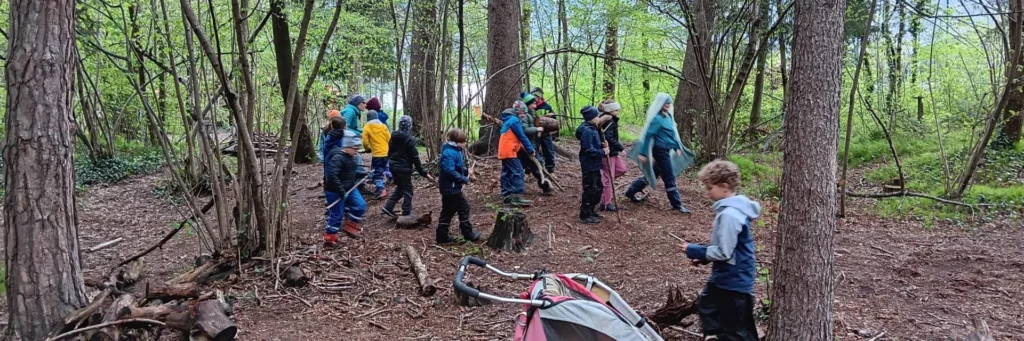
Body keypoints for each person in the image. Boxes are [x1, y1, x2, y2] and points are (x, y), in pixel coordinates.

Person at [682, 160, 760, 341]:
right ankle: (714, 336)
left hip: (735, 280)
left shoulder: (730, 215)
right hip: (725, 276)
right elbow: (728, 248)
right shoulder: (729, 211)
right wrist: (706, 259)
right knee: (707, 303)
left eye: (709, 188)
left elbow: (725, 252)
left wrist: (696, 251)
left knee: (737, 328)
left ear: (724, 186)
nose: (707, 192)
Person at [624, 93, 695, 214]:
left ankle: (631, 191)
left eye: (669, 103)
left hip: (666, 150)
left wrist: (677, 147)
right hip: (660, 151)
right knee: (669, 177)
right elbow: (648, 136)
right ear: (660, 104)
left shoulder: (668, 116)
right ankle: (677, 204)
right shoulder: (657, 119)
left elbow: (671, 134)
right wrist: (642, 153)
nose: (668, 105)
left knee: (655, 173)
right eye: (665, 103)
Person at [323, 124, 369, 245]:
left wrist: (363, 174)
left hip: (349, 188)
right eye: (355, 149)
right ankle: (329, 238)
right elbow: (332, 176)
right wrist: (342, 192)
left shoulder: (350, 157)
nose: (356, 152)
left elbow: (350, 173)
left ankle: (350, 225)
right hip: (335, 191)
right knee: (337, 215)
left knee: (361, 206)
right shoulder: (337, 157)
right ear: (347, 146)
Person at [436, 128, 482, 244]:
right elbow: (449, 171)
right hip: (450, 188)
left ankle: (441, 236)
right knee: (463, 207)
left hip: (451, 187)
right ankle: (468, 234)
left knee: (448, 211)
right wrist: (464, 179)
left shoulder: (455, 151)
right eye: (462, 142)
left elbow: (456, 168)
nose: (464, 144)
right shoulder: (449, 153)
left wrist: (466, 171)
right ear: (456, 142)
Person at [382, 116, 430, 217]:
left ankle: (388, 206)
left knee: (400, 188)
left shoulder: (393, 137)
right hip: (403, 169)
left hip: (394, 168)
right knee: (408, 190)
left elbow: (389, 152)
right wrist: (421, 171)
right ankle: (406, 212)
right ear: (410, 127)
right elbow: (415, 157)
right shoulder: (409, 139)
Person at [575, 106, 608, 224]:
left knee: (598, 187)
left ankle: (592, 210)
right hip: (589, 165)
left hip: (595, 164)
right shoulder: (587, 131)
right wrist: (603, 152)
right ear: (591, 118)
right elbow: (589, 150)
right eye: (597, 116)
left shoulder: (593, 129)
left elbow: (594, 146)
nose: (599, 118)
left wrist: (602, 146)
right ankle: (584, 215)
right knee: (590, 189)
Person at [498, 106, 535, 207]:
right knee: (518, 171)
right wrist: (530, 149)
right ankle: (516, 196)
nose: (524, 116)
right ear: (519, 112)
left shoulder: (507, 120)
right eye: (523, 113)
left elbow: (511, 136)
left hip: (503, 151)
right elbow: (522, 136)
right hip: (510, 151)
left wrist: (519, 145)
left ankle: (507, 195)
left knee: (507, 172)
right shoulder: (514, 120)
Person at [513, 100, 553, 196]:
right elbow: (524, 130)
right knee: (537, 166)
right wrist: (536, 129)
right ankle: (545, 186)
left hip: (531, 145)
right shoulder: (524, 116)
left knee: (534, 166)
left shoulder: (532, 114)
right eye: (533, 104)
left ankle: (545, 186)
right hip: (527, 147)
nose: (535, 105)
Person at [598, 99, 627, 212]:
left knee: (622, 169)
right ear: (610, 110)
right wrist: (621, 147)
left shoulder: (612, 119)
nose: (618, 110)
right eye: (616, 109)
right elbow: (608, 137)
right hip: (608, 153)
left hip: (613, 152)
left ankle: (603, 183)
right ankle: (606, 203)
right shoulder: (608, 120)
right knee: (608, 177)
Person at [522, 89, 557, 174]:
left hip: (545, 133)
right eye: (534, 96)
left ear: (540, 97)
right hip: (534, 134)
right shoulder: (529, 108)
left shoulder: (546, 107)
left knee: (549, 151)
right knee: (533, 151)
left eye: (537, 96)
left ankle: (550, 171)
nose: (536, 98)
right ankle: (529, 171)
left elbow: (554, 120)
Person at [361, 110, 391, 199]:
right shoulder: (383, 126)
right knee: (383, 166)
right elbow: (389, 138)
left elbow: (365, 141)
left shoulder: (367, 126)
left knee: (377, 171)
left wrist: (367, 149)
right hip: (386, 152)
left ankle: (381, 189)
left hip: (377, 154)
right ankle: (390, 177)